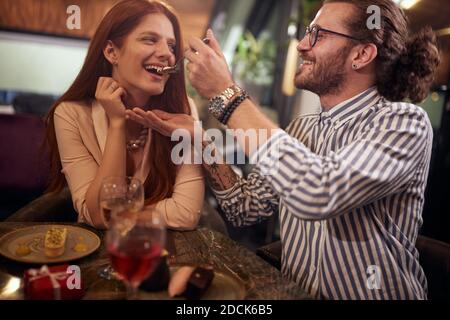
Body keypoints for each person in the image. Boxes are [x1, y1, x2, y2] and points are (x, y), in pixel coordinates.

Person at [127, 0, 440, 299]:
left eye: (318, 34)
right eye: (307, 33)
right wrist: (200, 139)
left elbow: (319, 191)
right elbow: (244, 207)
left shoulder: (403, 124)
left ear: (361, 53)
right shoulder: (302, 128)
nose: (303, 45)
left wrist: (227, 94)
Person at [45, 0, 204, 230]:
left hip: (162, 253)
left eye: (171, 46)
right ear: (111, 52)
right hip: (97, 254)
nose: (166, 54)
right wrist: (117, 123)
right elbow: (100, 216)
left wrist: (120, 211)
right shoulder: (70, 115)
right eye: (150, 39)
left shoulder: (184, 110)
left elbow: (186, 215)